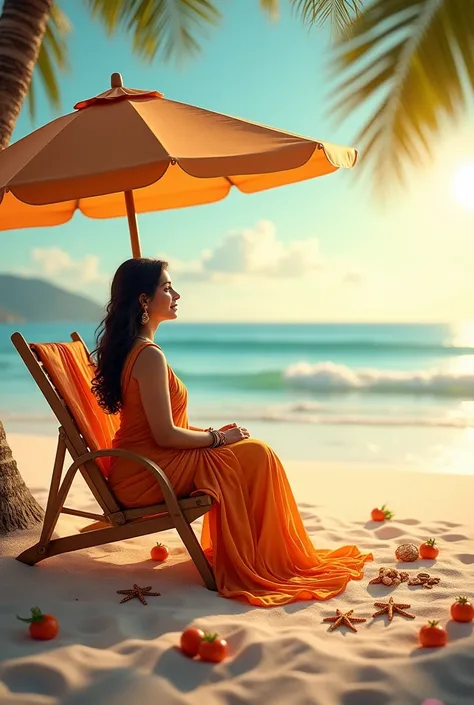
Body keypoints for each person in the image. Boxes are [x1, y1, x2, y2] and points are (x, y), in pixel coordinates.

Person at [92, 258, 373, 607]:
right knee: (256, 454)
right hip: (147, 473)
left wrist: (211, 434)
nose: (176, 294)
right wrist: (218, 439)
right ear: (143, 300)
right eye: (166, 287)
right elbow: (164, 436)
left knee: (253, 451)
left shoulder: (139, 350)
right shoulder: (148, 356)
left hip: (147, 463)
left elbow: (159, 429)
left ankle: (259, 553)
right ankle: (263, 558)